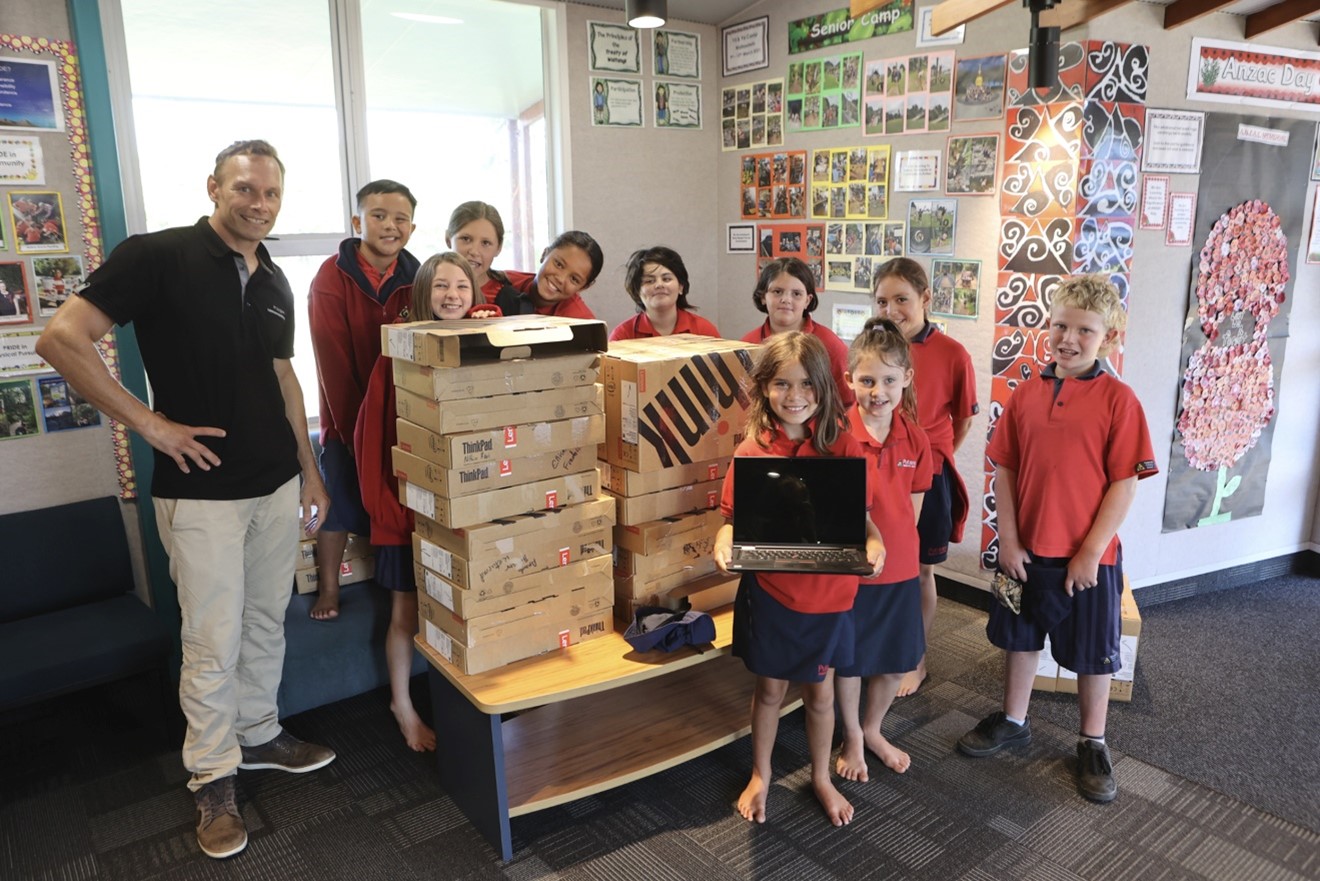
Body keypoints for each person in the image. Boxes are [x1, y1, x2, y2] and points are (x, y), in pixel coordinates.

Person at [34, 140, 335, 860]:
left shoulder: (273, 278)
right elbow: (61, 337)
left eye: (271, 194)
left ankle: (259, 733)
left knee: (268, 618)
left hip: (276, 483)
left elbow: (284, 379)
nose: (258, 204)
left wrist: (311, 467)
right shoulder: (156, 256)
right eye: (245, 189)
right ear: (214, 187)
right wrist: (149, 422)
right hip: (201, 493)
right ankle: (213, 776)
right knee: (210, 640)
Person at [957, 275, 1158, 805]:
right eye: (1060, 326)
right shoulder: (1024, 395)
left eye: (1084, 331)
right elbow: (1005, 469)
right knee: (1020, 642)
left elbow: (1124, 481)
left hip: (1090, 560)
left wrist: (1090, 552)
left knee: (1093, 655)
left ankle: (1092, 741)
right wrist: (1012, 539)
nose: (1069, 338)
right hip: (1027, 552)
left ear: (1108, 337)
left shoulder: (1120, 400)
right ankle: (1014, 718)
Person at [713, 332, 885, 827]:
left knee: (821, 694)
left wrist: (874, 543)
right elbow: (731, 519)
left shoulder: (844, 445)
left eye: (807, 384)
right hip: (772, 593)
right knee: (769, 691)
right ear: (764, 387)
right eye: (782, 384)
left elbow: (862, 520)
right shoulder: (751, 451)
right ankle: (761, 773)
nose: (794, 396)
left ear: (825, 388)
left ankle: (820, 776)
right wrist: (724, 540)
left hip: (829, 594)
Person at [356, 252, 500, 753]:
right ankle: (404, 706)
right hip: (408, 509)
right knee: (407, 610)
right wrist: (388, 509)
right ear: (422, 294)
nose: (452, 295)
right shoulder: (397, 351)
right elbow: (371, 437)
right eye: (440, 286)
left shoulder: (484, 340)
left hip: (468, 506)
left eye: (462, 286)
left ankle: (473, 707)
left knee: (465, 608)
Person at [307, 179, 419, 621]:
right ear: (358, 221)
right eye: (378, 216)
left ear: (412, 227)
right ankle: (329, 589)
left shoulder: (419, 276)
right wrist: (358, 433)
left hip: (402, 416)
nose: (389, 226)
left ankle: (396, 585)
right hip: (346, 416)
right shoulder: (331, 277)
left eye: (400, 218)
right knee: (337, 503)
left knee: (396, 505)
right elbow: (331, 362)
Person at [872, 257, 977, 696]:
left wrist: (935, 455)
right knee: (876, 565)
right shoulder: (872, 347)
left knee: (919, 573)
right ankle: (875, 650)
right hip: (879, 474)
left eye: (902, 299)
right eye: (882, 300)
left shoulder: (953, 354)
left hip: (929, 476)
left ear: (926, 299)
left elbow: (964, 418)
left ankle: (916, 658)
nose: (891, 309)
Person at [834, 318, 933, 781]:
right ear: (849, 378)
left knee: (894, 659)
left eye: (890, 380)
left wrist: (899, 559)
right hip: (850, 571)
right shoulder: (835, 435)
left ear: (906, 380)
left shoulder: (916, 437)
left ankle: (873, 728)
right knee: (850, 660)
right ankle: (852, 734)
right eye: (868, 380)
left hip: (899, 572)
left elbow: (911, 510)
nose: (878, 391)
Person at [741, 257, 855, 406]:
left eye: (796, 294)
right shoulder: (745, 346)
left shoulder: (830, 345)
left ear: (807, 300)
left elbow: (849, 402)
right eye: (777, 291)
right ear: (763, 297)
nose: (786, 299)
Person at [610, 246, 720, 341]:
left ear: (681, 287)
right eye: (649, 281)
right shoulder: (622, 336)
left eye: (666, 279)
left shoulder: (705, 331)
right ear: (637, 291)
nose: (659, 285)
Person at [493, 230, 602, 319]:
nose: (560, 279)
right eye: (558, 264)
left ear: (583, 287)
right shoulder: (500, 282)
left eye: (574, 279)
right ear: (544, 254)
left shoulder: (583, 324)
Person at [445, 201, 508, 304]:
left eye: (485, 243)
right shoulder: (428, 293)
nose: (474, 251)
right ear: (448, 239)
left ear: (499, 248)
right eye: (466, 239)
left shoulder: (511, 299)